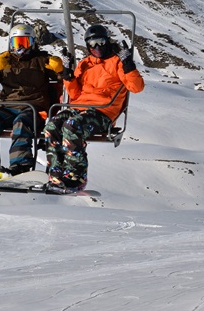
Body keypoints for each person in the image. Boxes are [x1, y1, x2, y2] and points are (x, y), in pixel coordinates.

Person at [43, 24, 145, 191]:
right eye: (92, 43)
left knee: (72, 126)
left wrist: (128, 64)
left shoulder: (117, 62)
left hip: (102, 111)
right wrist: (68, 74)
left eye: (101, 42)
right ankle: (56, 173)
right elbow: (75, 94)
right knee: (52, 125)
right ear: (87, 45)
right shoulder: (85, 64)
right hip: (79, 107)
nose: (97, 47)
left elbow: (136, 87)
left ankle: (76, 176)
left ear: (107, 41)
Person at [0, 24, 65, 186]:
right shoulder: (4, 61)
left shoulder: (41, 61)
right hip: (7, 107)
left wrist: (60, 69)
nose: (21, 47)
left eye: (25, 42)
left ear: (33, 42)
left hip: (34, 108)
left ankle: (20, 166)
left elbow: (65, 79)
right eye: (17, 43)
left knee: (21, 124)